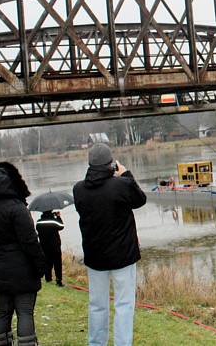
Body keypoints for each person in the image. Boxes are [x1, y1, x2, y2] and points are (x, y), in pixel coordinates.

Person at [74, 144, 147, 346]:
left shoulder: (78, 189)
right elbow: (140, 200)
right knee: (124, 304)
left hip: (95, 257)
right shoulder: (121, 185)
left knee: (97, 304)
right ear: (111, 164)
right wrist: (126, 174)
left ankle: (96, 343)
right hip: (123, 256)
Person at [0, 162, 46, 346]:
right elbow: (30, 242)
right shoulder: (17, 208)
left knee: (2, 312)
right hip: (22, 270)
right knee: (24, 311)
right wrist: (41, 266)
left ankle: (2, 343)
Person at [35, 210, 64, 287]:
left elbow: (38, 230)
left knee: (47, 263)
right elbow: (61, 226)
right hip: (55, 247)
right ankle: (58, 281)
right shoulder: (54, 221)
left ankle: (48, 278)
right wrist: (58, 216)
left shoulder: (39, 222)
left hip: (44, 246)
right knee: (57, 264)